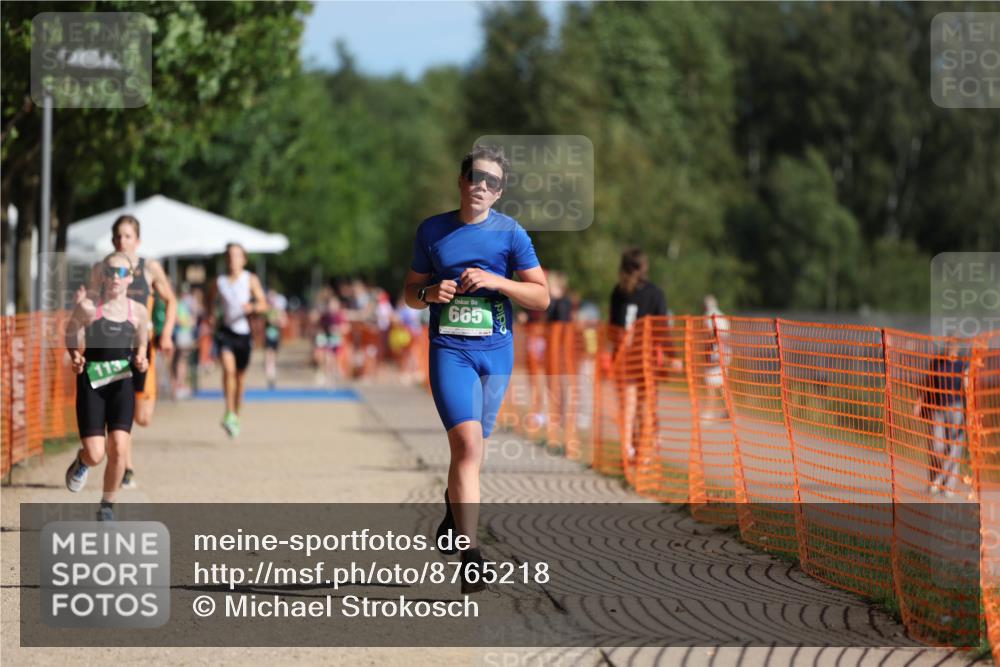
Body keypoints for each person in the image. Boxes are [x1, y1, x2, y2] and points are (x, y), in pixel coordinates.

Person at [403, 145, 549, 594]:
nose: (482, 186)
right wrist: (431, 293)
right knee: (466, 446)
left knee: (474, 450)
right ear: (462, 180)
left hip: (496, 354)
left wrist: (498, 282)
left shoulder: (511, 235)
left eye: (493, 182)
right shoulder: (433, 231)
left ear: (499, 192)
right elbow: (409, 292)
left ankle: (453, 506)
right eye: (476, 177)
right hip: (450, 351)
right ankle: (472, 557)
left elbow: (541, 297)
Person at [89, 215, 177, 490]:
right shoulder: (105, 269)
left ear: (137, 241)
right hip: (112, 346)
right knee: (119, 405)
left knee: (143, 417)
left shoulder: (149, 268)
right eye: (117, 236)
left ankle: (121, 452)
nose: (121, 241)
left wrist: (166, 333)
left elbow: (171, 299)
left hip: (141, 345)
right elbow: (91, 303)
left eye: (127, 236)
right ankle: (125, 464)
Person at [65, 252, 150, 521]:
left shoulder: (137, 311)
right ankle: (82, 462)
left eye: (122, 272)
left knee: (119, 449)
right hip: (92, 383)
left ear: (131, 277)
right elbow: (71, 332)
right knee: (96, 453)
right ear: (102, 274)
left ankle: (107, 507)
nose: (116, 277)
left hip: (121, 384)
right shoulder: (89, 307)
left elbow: (142, 341)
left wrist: (141, 358)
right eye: (111, 271)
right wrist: (75, 355)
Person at [608, 248, 668, 463]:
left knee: (630, 406)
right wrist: (673, 355)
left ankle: (630, 450)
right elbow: (662, 330)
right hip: (645, 358)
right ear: (644, 267)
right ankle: (643, 450)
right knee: (644, 405)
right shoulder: (655, 293)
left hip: (624, 356)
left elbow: (612, 328)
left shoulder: (619, 291)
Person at [208, 243, 267, 438]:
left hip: (244, 334)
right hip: (226, 333)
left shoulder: (250, 279)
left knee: (240, 380)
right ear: (226, 259)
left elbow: (263, 304)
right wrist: (210, 316)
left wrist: (252, 307)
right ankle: (229, 410)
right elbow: (210, 301)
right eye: (230, 256)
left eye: (237, 256)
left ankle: (235, 415)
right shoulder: (220, 281)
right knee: (228, 370)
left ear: (244, 259)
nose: (233, 259)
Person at [912, 340, 971, 499]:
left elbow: (967, 388)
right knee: (936, 446)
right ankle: (936, 478)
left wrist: (970, 410)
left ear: (957, 349)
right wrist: (919, 402)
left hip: (956, 409)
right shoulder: (937, 362)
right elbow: (926, 383)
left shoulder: (962, 365)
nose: (950, 349)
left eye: (953, 346)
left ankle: (947, 485)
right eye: (948, 346)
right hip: (936, 409)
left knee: (953, 449)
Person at [264, 289, 288, 390]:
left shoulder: (279, 310)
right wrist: (274, 320)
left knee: (273, 358)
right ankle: (270, 376)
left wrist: (278, 321)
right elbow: (268, 319)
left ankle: (273, 375)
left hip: (276, 337)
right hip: (268, 337)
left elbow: (284, 322)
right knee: (269, 357)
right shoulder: (267, 310)